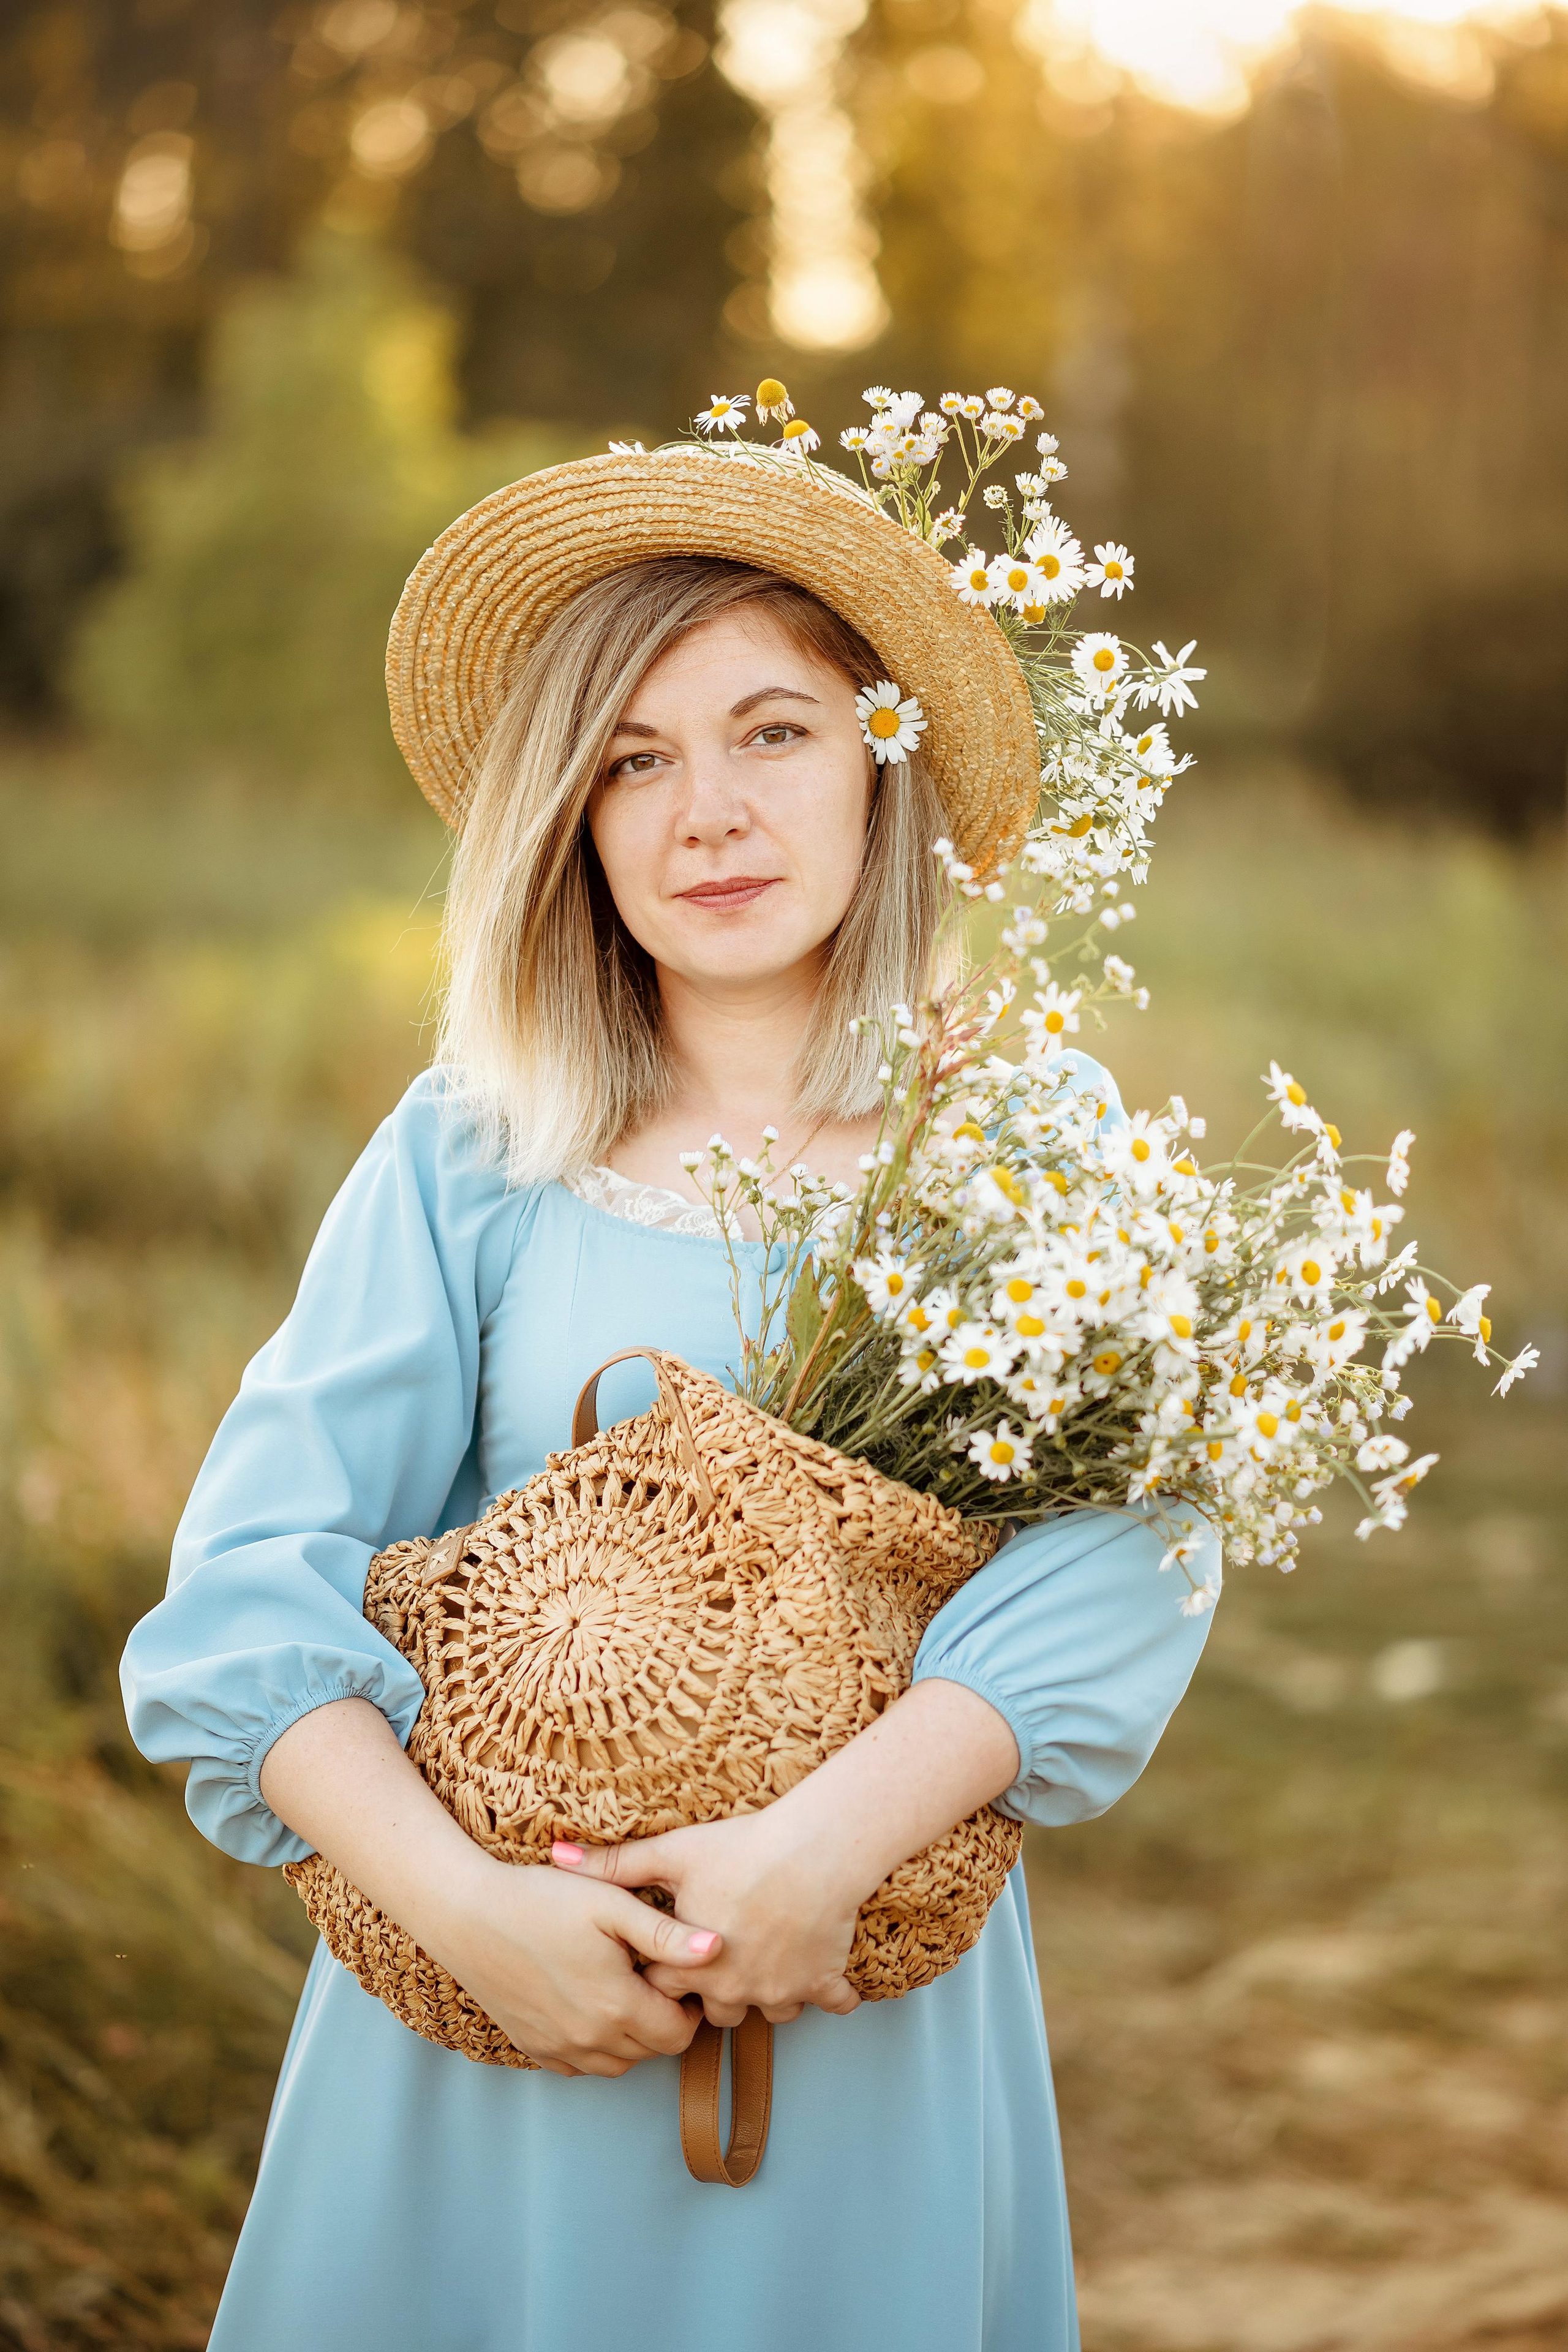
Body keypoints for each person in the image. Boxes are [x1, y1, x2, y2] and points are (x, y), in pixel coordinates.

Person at [121, 438, 1217, 2351]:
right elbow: (245, 1591)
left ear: (883, 770)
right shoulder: (475, 1149)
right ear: (573, 820)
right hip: (484, 2050)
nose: (703, 811)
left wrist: (820, 1853)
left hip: (861, 2019)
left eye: (772, 733)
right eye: (633, 758)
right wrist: (468, 1922)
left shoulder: (1020, 1145)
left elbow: (1130, 1550)